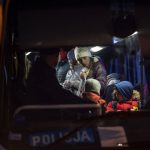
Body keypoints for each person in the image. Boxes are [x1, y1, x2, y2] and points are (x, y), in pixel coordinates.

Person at [24, 49, 93, 105]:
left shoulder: (39, 68)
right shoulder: (43, 72)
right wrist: (85, 105)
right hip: (43, 115)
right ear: (53, 56)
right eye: (57, 55)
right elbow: (60, 95)